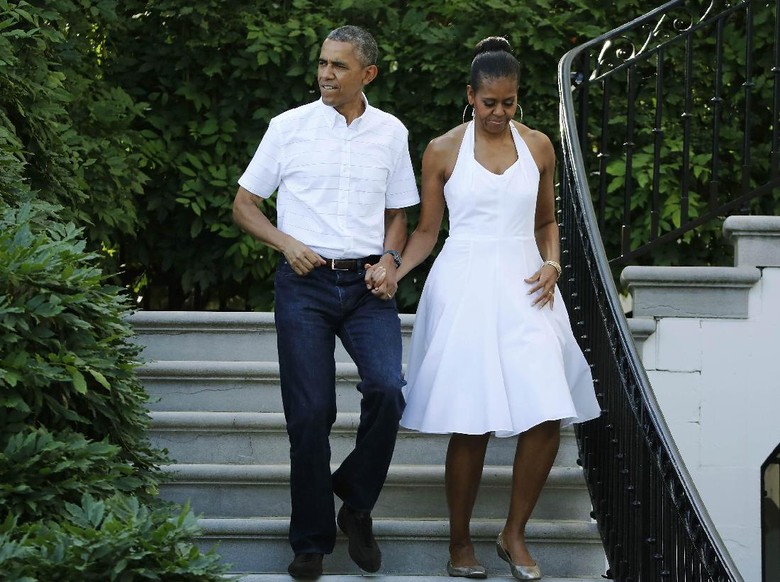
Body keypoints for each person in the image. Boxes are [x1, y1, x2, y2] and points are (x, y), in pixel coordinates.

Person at [367, 37, 601, 580]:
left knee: (546, 411)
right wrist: (393, 271)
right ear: (470, 96)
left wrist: (553, 263)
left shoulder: (540, 146)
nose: (499, 112)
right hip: (464, 283)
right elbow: (427, 231)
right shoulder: (442, 150)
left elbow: (546, 222)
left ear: (518, 98)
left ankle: (513, 533)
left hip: (527, 285)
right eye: (489, 102)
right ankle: (459, 544)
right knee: (469, 421)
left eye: (509, 102)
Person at [232, 25, 419, 579]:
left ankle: (356, 504)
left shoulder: (390, 132)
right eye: (322, 63)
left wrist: (390, 259)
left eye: (338, 66)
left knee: (388, 388)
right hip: (304, 284)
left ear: (368, 74)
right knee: (311, 414)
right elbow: (244, 205)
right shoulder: (287, 128)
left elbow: (398, 214)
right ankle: (311, 540)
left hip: (366, 285)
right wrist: (286, 243)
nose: (325, 74)